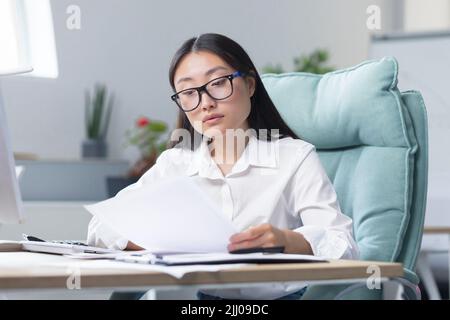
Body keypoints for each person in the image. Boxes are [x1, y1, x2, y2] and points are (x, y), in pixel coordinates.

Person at [88, 33, 359, 300]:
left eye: (218, 83)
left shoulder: (294, 157)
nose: (205, 103)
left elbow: (342, 243)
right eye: (189, 92)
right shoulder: (176, 163)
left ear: (250, 85)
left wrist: (287, 240)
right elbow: (103, 225)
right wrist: (159, 247)